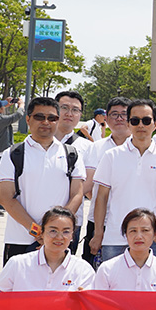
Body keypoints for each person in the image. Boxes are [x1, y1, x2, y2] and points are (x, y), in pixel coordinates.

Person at [0, 97, 86, 264]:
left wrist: (55, 231)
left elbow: (77, 194)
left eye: (52, 118)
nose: (46, 122)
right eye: (39, 117)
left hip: (58, 242)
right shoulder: (13, 154)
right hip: (20, 239)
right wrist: (39, 232)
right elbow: (6, 198)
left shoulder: (72, 155)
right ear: (28, 119)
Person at [90, 99, 156, 264]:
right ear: (128, 124)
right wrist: (98, 233)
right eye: (135, 120)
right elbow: (101, 197)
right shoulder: (112, 156)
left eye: (146, 120)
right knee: (113, 281)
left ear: (155, 124)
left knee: (149, 281)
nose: (141, 125)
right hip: (115, 238)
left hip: (151, 238)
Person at [0, 207, 94, 294]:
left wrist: (85, 299)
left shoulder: (83, 270)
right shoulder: (18, 264)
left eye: (66, 232)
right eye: (53, 231)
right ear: (42, 233)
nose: (59, 237)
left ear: (72, 235)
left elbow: (91, 307)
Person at [81, 97, 131, 264]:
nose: (119, 118)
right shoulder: (96, 147)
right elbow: (88, 183)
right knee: (94, 270)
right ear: (106, 119)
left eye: (124, 114)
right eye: (114, 114)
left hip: (132, 223)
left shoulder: (142, 148)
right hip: (98, 222)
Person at [92, 208, 156, 291]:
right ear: (126, 234)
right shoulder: (107, 269)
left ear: (155, 234)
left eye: (145, 230)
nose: (138, 236)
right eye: (133, 231)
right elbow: (99, 299)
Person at [54, 91, 94, 251]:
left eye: (75, 110)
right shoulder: (38, 142)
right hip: (34, 218)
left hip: (72, 219)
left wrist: (63, 216)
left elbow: (88, 183)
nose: (69, 113)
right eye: (64, 107)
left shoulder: (88, 147)